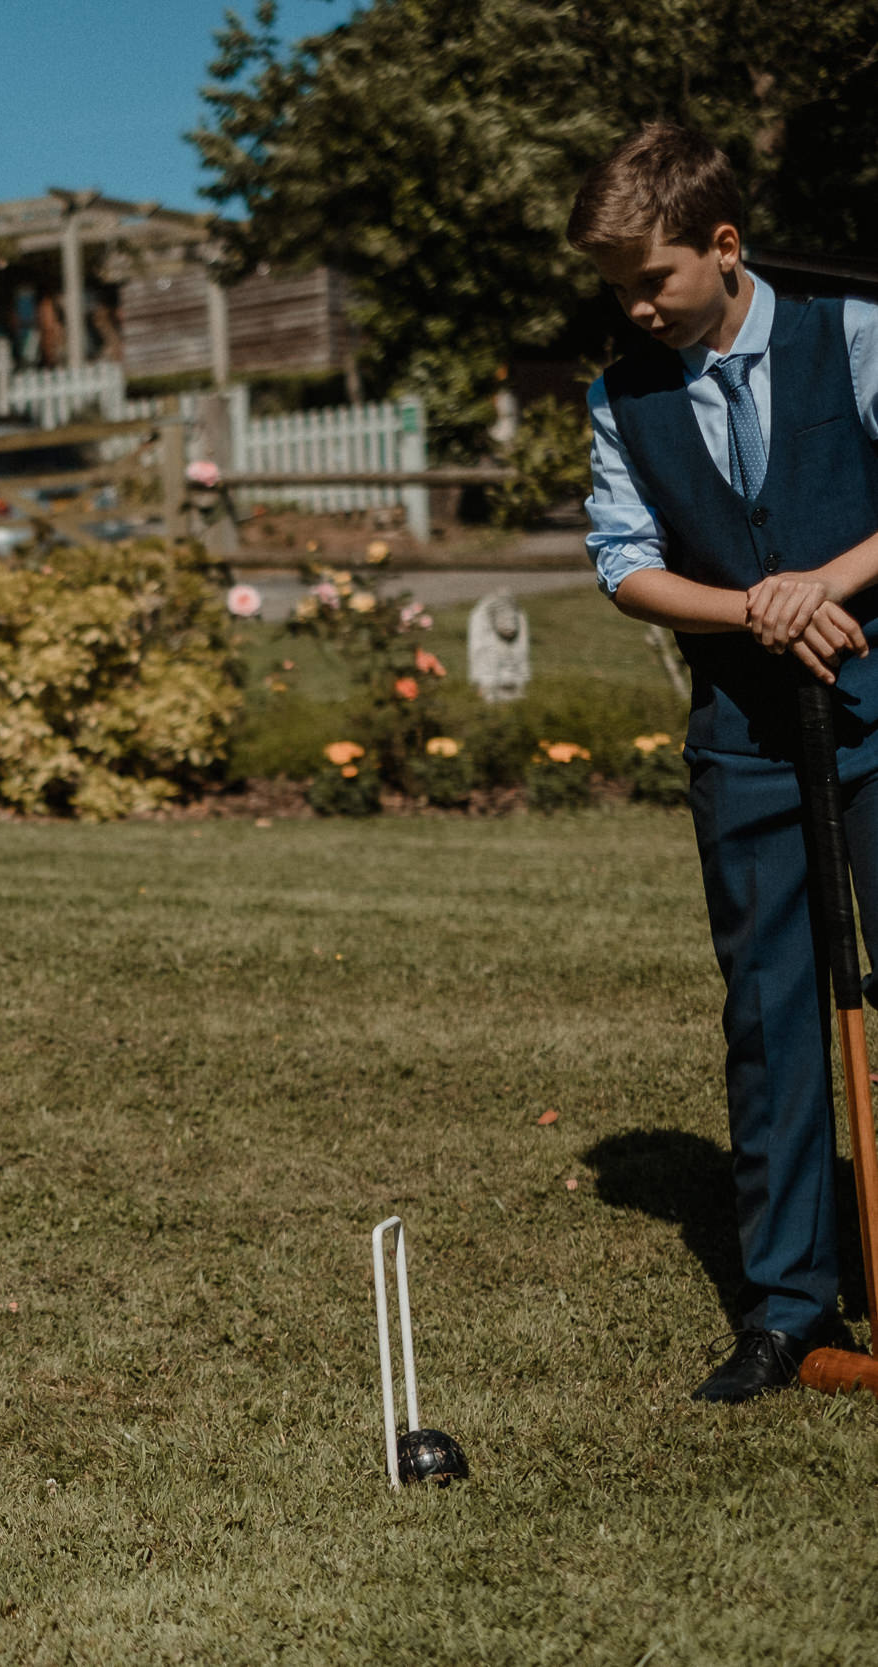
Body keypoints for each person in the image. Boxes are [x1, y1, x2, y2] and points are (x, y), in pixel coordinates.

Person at [574, 122, 878, 1402]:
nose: (638, 305)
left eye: (656, 279)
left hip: (875, 707)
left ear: (724, 244)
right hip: (743, 741)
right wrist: (752, 604)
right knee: (768, 1022)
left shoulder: (852, 336)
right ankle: (788, 1300)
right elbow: (622, 562)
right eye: (618, 287)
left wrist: (824, 585)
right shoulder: (620, 395)